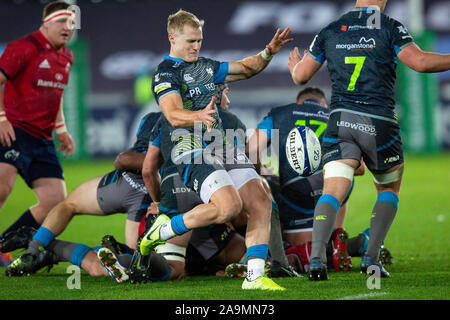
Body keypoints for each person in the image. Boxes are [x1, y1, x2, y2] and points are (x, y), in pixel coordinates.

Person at [288, 0, 450, 280]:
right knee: (388, 189)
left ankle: (316, 261)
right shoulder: (390, 27)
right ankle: (371, 260)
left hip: (340, 120)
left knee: (333, 192)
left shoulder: (330, 30)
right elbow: (420, 63)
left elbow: (301, 75)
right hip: (378, 121)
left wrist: (294, 69)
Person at [139, 9, 293, 290]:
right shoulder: (166, 73)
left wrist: (269, 52)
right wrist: (197, 116)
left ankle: (255, 277)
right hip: (189, 147)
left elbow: (248, 68)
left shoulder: (207, 66)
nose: (196, 46)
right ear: (172, 38)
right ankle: (163, 230)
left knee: (261, 200)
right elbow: (172, 114)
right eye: (190, 41)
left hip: (220, 144)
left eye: (199, 40)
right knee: (228, 207)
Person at [4, 112, 161, 275]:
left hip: (123, 181)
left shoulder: (150, 117)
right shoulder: (179, 122)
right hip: (150, 191)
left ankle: (35, 246)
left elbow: (131, 151)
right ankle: (53, 251)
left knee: (69, 205)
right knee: (137, 260)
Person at [246, 86, 367, 273]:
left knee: (291, 248)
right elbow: (359, 168)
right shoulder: (338, 118)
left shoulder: (280, 114)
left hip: (297, 193)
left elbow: (251, 151)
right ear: (324, 104)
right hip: (331, 191)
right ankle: (348, 241)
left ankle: (325, 249)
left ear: (299, 101)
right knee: (342, 178)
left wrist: (263, 174)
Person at [0, 1, 76, 264]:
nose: (68, 27)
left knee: (55, 203)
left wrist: (62, 130)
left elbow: (55, 96)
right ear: (47, 22)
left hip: (42, 139)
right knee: (1, 188)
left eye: (72, 23)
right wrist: (1, 119)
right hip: (13, 131)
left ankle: (1, 246)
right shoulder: (22, 47)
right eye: (62, 21)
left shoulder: (66, 56)